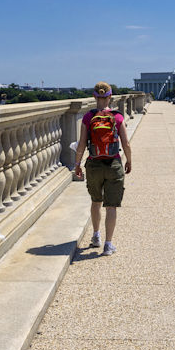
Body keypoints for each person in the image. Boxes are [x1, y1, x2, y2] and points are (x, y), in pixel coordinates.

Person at [74, 82, 132, 256]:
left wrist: (77, 164)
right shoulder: (118, 117)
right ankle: (108, 245)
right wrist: (129, 160)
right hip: (113, 164)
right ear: (110, 97)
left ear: (94, 97)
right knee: (111, 206)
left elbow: (82, 144)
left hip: (94, 164)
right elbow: (126, 143)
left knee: (95, 201)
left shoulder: (88, 117)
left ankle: (96, 236)